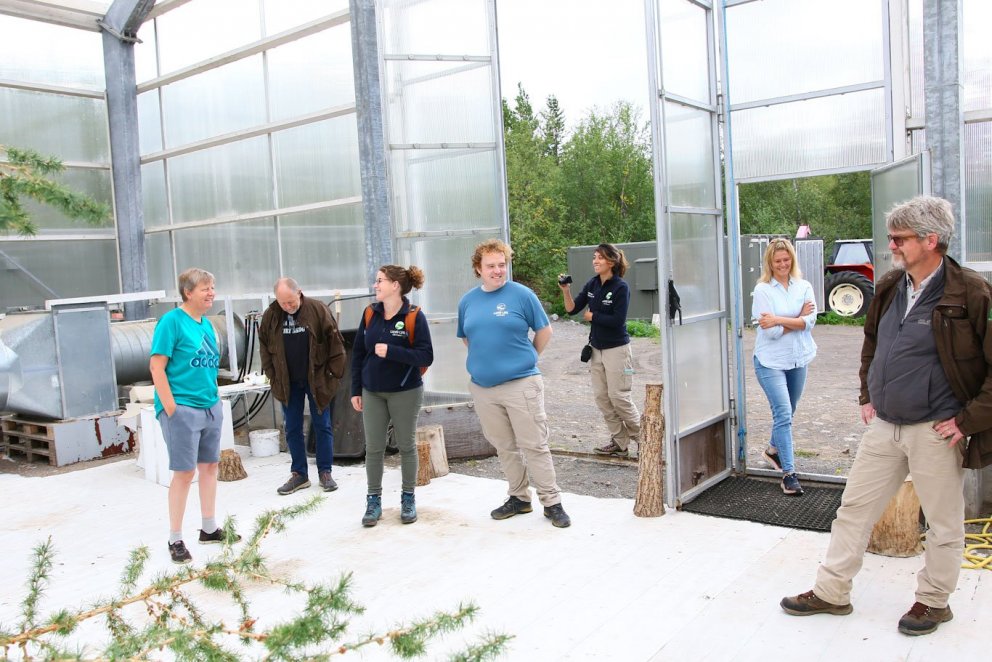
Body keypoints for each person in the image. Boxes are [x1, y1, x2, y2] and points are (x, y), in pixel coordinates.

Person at [781, 196, 992, 636]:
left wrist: (966, 421)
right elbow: (872, 344)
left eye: (900, 238)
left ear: (930, 240)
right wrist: (866, 394)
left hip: (936, 429)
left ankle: (934, 602)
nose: (892, 246)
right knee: (853, 510)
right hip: (884, 426)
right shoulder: (893, 285)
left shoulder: (970, 291)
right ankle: (832, 592)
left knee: (944, 523)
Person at [457, 239, 571, 528]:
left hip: (521, 384)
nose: (497, 271)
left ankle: (552, 501)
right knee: (504, 446)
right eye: (491, 266)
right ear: (478, 269)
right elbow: (467, 337)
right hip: (483, 387)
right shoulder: (468, 301)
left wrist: (529, 356)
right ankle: (519, 498)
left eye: (501, 264)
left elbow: (544, 330)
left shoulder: (522, 295)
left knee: (534, 445)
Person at [150, 267, 240, 565]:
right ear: (188, 292)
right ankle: (175, 537)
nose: (211, 292)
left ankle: (209, 527)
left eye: (212, 287)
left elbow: (208, 367)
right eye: (205, 288)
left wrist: (214, 399)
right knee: (184, 473)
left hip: (209, 405)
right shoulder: (171, 322)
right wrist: (171, 409)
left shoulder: (205, 325)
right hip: (183, 409)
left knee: (210, 466)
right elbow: (156, 367)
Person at [351, 265, 433, 527]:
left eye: (380, 281)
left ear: (395, 285)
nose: (375, 285)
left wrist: (393, 352)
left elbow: (426, 356)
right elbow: (358, 355)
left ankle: (408, 498)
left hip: (405, 391)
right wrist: (356, 389)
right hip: (372, 391)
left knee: (406, 446)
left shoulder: (413, 316)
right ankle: (373, 500)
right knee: (374, 448)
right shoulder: (369, 314)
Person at [259, 277, 346, 495]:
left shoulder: (317, 309)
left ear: (300, 293)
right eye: (282, 302)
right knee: (292, 427)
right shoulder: (271, 316)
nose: (287, 306)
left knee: (322, 424)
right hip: (287, 381)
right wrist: (272, 375)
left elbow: (335, 343)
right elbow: (264, 347)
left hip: (316, 379)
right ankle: (299, 474)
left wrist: (333, 375)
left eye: (291, 301)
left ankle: (325, 472)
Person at [559, 243, 640, 457]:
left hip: (617, 350)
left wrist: (593, 316)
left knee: (619, 397)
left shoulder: (620, 287)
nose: (595, 261)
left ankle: (646, 440)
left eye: (600, 258)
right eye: (594, 257)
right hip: (596, 349)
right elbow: (571, 309)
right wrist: (566, 290)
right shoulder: (593, 284)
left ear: (611, 262)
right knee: (603, 398)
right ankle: (619, 442)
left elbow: (618, 320)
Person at [751, 238, 817, 496]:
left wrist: (780, 319)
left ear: (792, 259)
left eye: (786, 259)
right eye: (777, 261)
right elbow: (771, 333)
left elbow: (810, 322)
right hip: (770, 361)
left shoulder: (804, 286)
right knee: (783, 413)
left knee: (789, 412)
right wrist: (797, 318)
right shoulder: (763, 290)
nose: (782, 264)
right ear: (770, 262)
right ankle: (789, 474)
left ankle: (772, 450)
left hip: (798, 358)